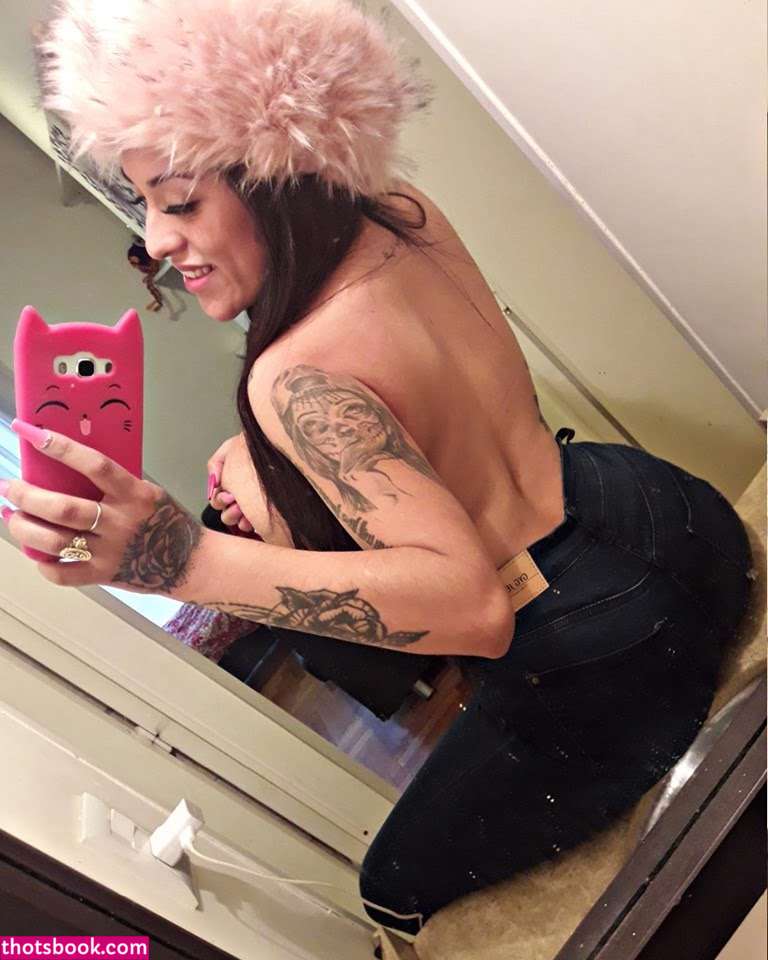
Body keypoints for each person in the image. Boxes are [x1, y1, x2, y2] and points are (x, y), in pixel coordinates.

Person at [4, 0, 754, 935]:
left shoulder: (291, 378)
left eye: (180, 200)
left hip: (605, 635)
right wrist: (268, 461)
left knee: (389, 883)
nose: (155, 240)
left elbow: (471, 608)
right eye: (146, 203)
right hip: (666, 515)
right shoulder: (401, 213)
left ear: (275, 173)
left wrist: (178, 560)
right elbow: (413, 398)